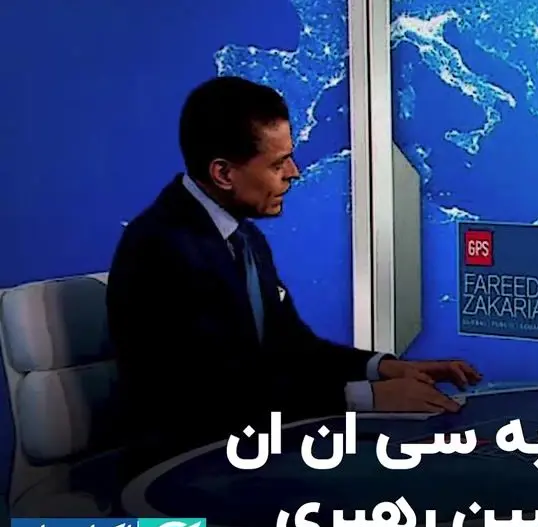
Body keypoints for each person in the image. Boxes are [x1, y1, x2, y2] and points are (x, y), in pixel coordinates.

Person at [107, 76, 482, 468]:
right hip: (185, 467)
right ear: (223, 174)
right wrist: (366, 398)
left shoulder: (245, 239)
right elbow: (215, 392)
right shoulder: (160, 248)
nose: (294, 172)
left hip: (252, 452)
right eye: (277, 163)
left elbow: (293, 348)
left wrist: (384, 368)